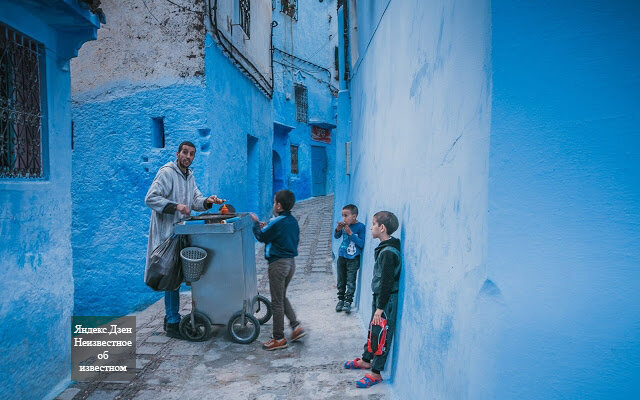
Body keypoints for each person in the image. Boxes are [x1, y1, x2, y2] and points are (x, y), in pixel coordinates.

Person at [145, 141, 225, 339]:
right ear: (178, 153)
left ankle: (171, 319)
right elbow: (150, 198)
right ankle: (172, 323)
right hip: (167, 234)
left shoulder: (190, 176)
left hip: (181, 233)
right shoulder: (167, 173)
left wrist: (208, 201)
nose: (188, 157)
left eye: (191, 154)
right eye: (185, 153)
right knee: (171, 278)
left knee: (178, 276)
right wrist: (177, 206)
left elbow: (196, 200)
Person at [344, 211, 401, 388]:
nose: (370, 227)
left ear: (382, 228)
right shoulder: (384, 248)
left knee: (382, 334)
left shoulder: (388, 253)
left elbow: (387, 282)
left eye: (374, 224)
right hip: (380, 300)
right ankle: (366, 360)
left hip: (386, 302)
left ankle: (375, 373)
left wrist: (380, 307)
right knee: (373, 330)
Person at [250, 190, 306, 350]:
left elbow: (261, 237)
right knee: (281, 296)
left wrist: (255, 223)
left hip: (278, 265)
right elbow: (277, 232)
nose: (273, 204)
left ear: (279, 206)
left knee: (276, 301)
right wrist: (266, 226)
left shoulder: (277, 222)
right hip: (290, 264)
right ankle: (296, 326)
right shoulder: (292, 221)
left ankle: (278, 337)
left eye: (275, 202)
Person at [334, 204, 366, 313]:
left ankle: (348, 301)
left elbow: (361, 243)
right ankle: (341, 300)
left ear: (354, 216)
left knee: (351, 281)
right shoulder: (343, 226)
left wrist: (350, 233)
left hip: (353, 258)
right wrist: (338, 229)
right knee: (341, 279)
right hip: (342, 256)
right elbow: (336, 236)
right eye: (343, 215)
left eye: (346, 215)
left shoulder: (361, 227)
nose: (344, 218)